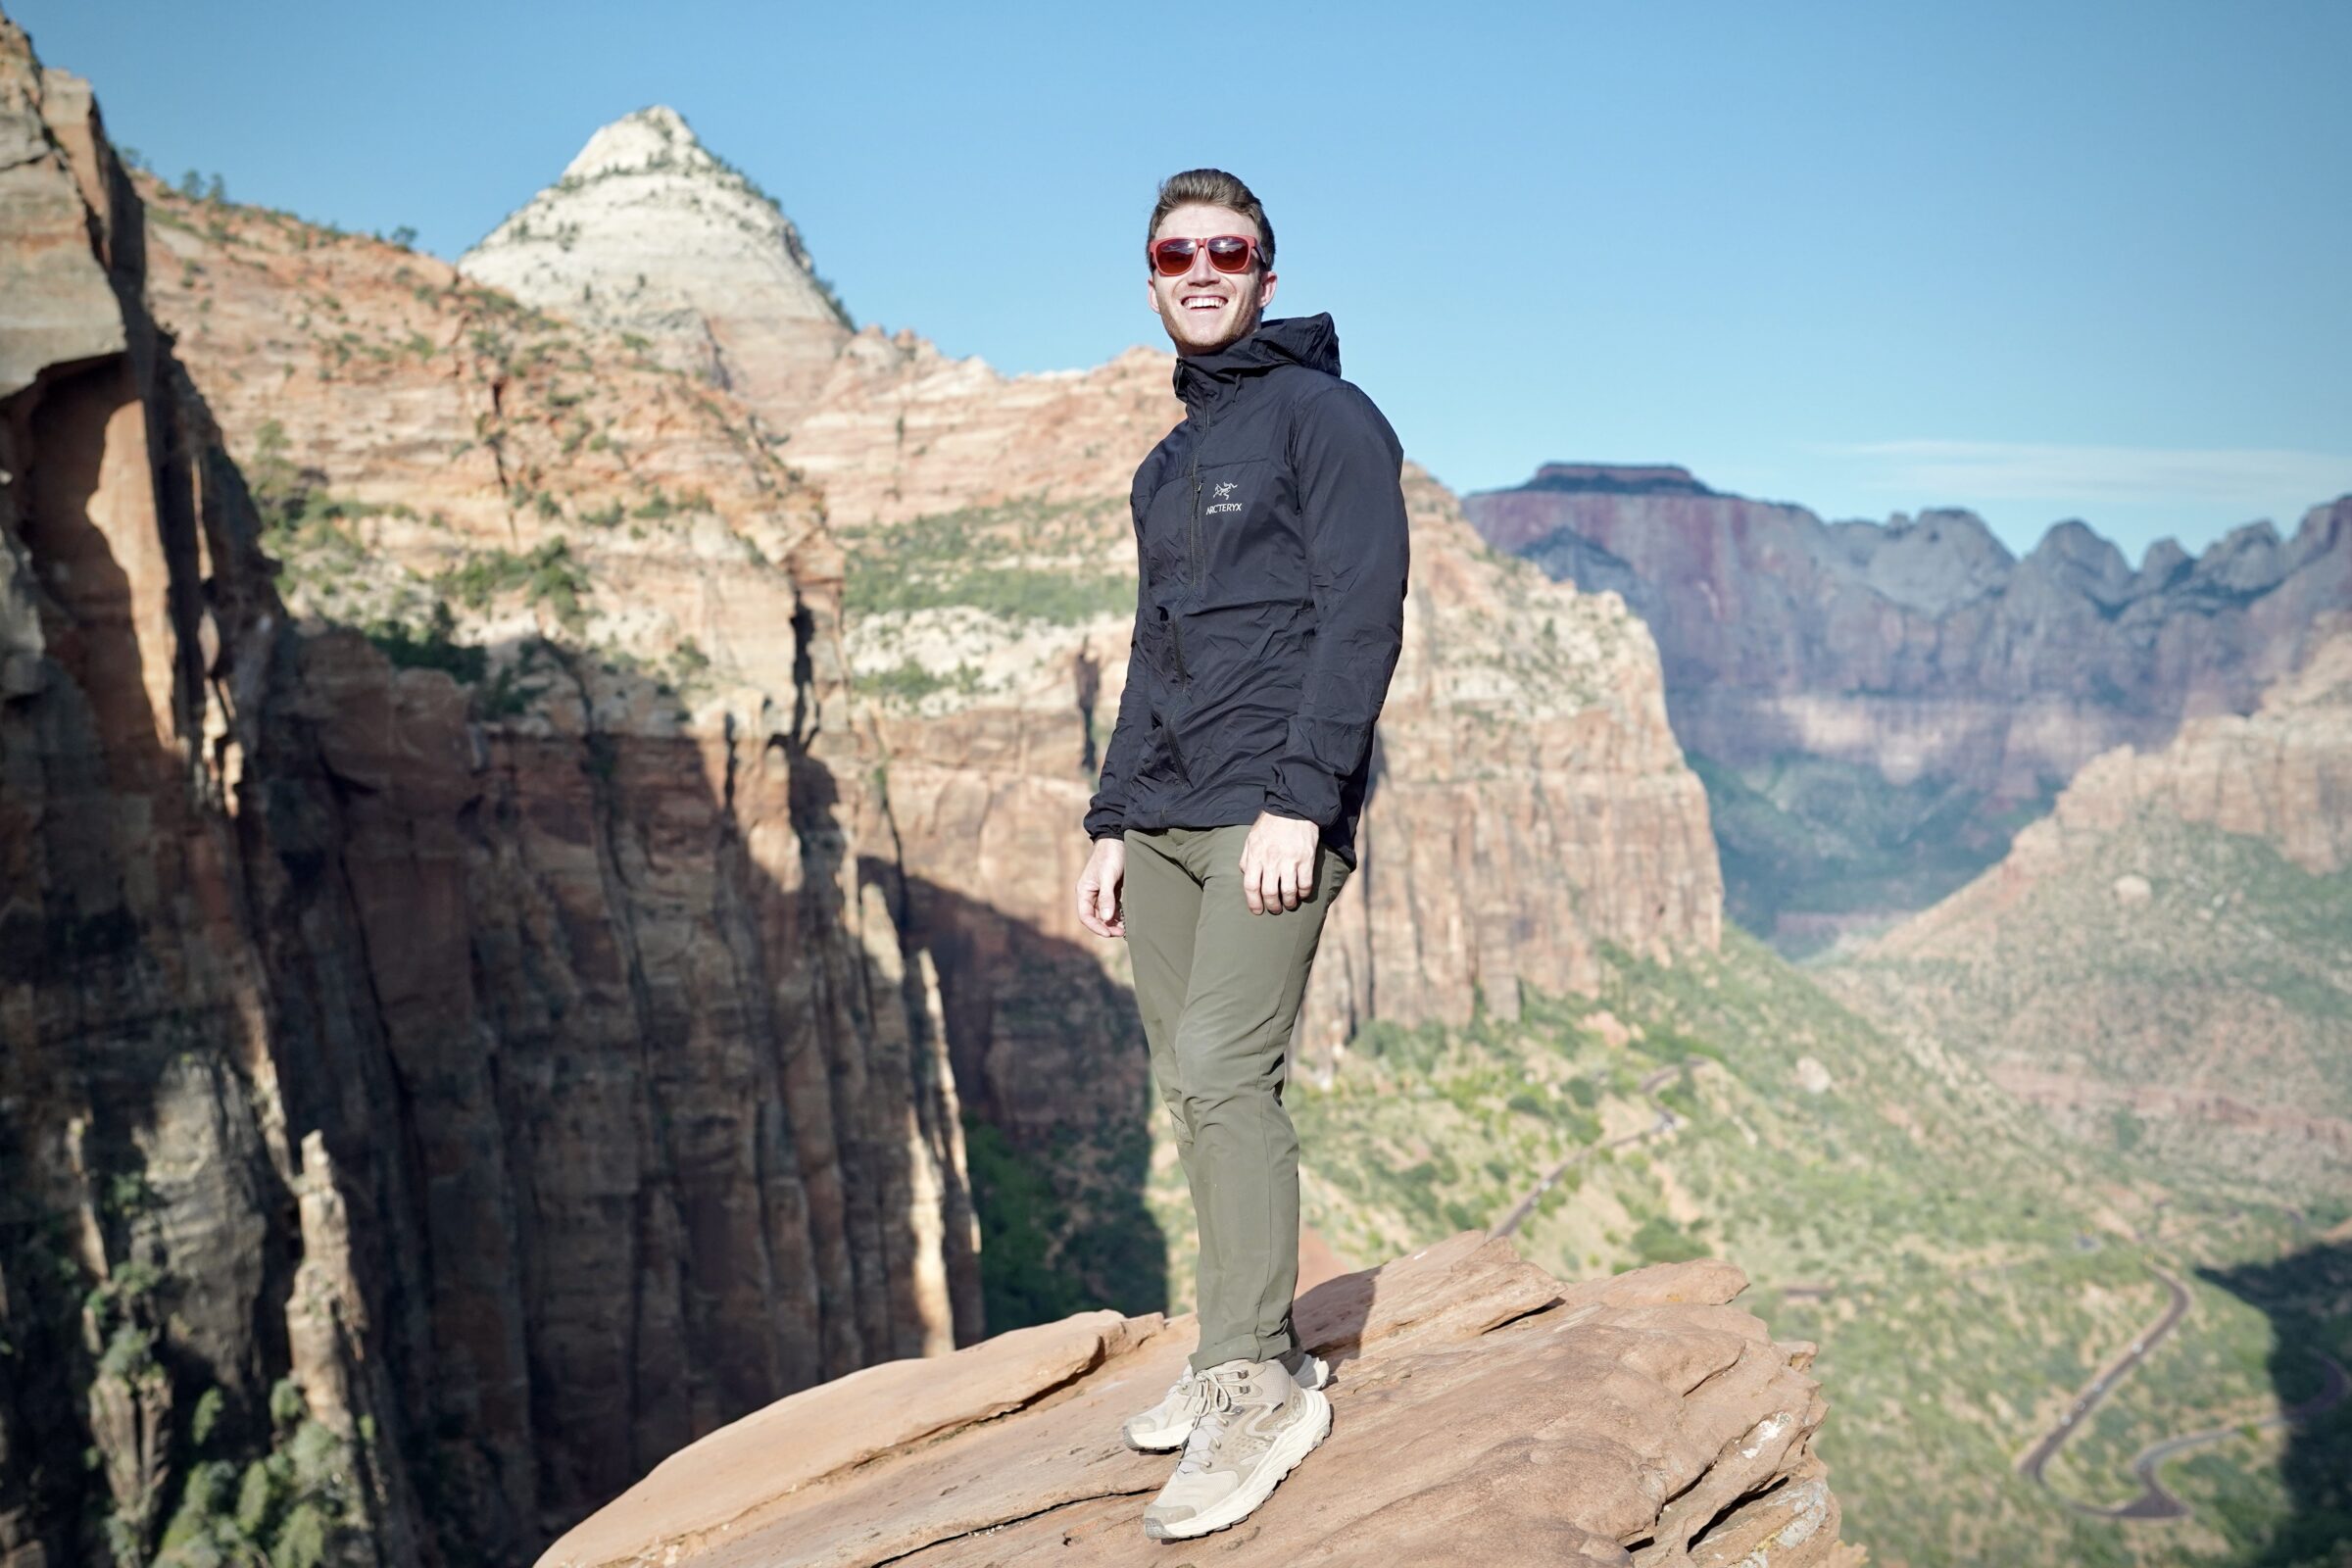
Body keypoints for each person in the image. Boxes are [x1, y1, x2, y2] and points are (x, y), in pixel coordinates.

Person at [1072, 167, 1410, 1543]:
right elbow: (1155, 655)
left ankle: (1261, 1384)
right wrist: (1106, 820)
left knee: (1225, 1069)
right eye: (1177, 251)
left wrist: (1302, 796)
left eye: (1230, 250)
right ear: (1149, 276)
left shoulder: (1324, 419)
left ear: (1268, 274)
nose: (1202, 269)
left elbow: (1363, 615)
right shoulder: (1165, 465)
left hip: (1266, 812)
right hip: (1161, 818)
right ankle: (1229, 1352)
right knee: (1188, 1093)